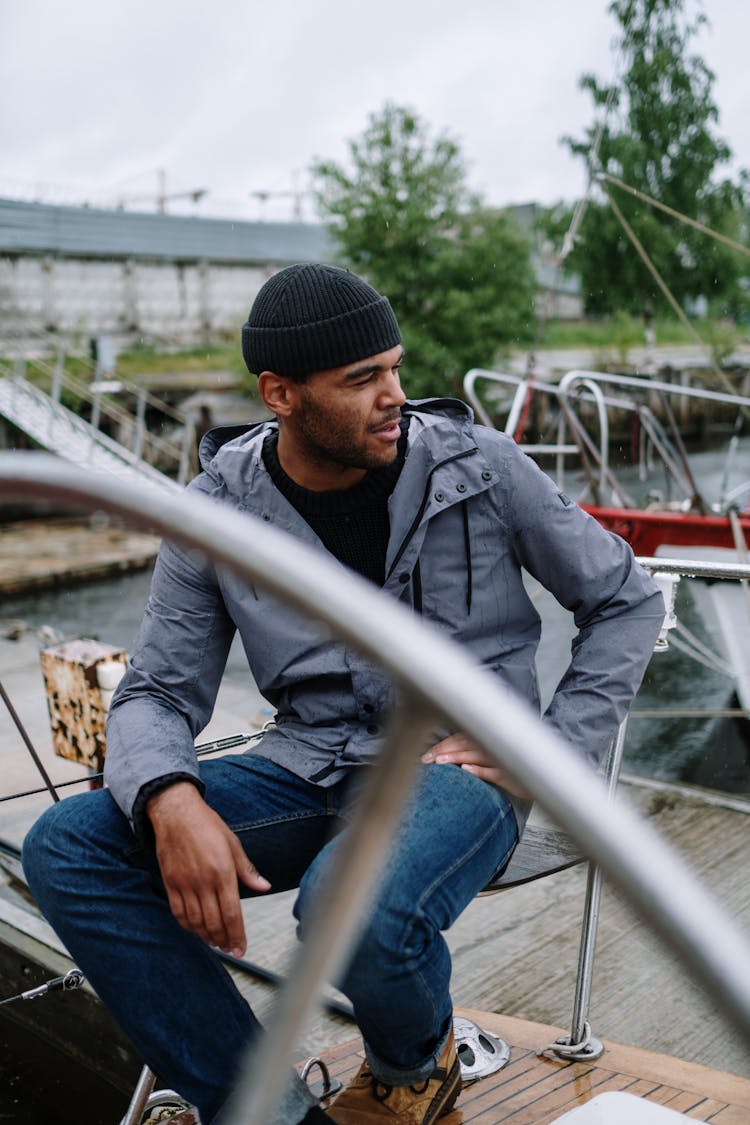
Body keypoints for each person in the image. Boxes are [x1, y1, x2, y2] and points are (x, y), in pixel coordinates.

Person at [22, 264, 665, 1125]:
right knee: (69, 845)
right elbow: (158, 691)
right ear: (280, 393)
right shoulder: (214, 514)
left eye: (395, 367)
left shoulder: (482, 466)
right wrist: (169, 795)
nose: (396, 394)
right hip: (307, 766)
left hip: (460, 766)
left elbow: (626, 599)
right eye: (363, 378)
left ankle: (414, 1065)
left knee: (346, 900)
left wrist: (552, 746)